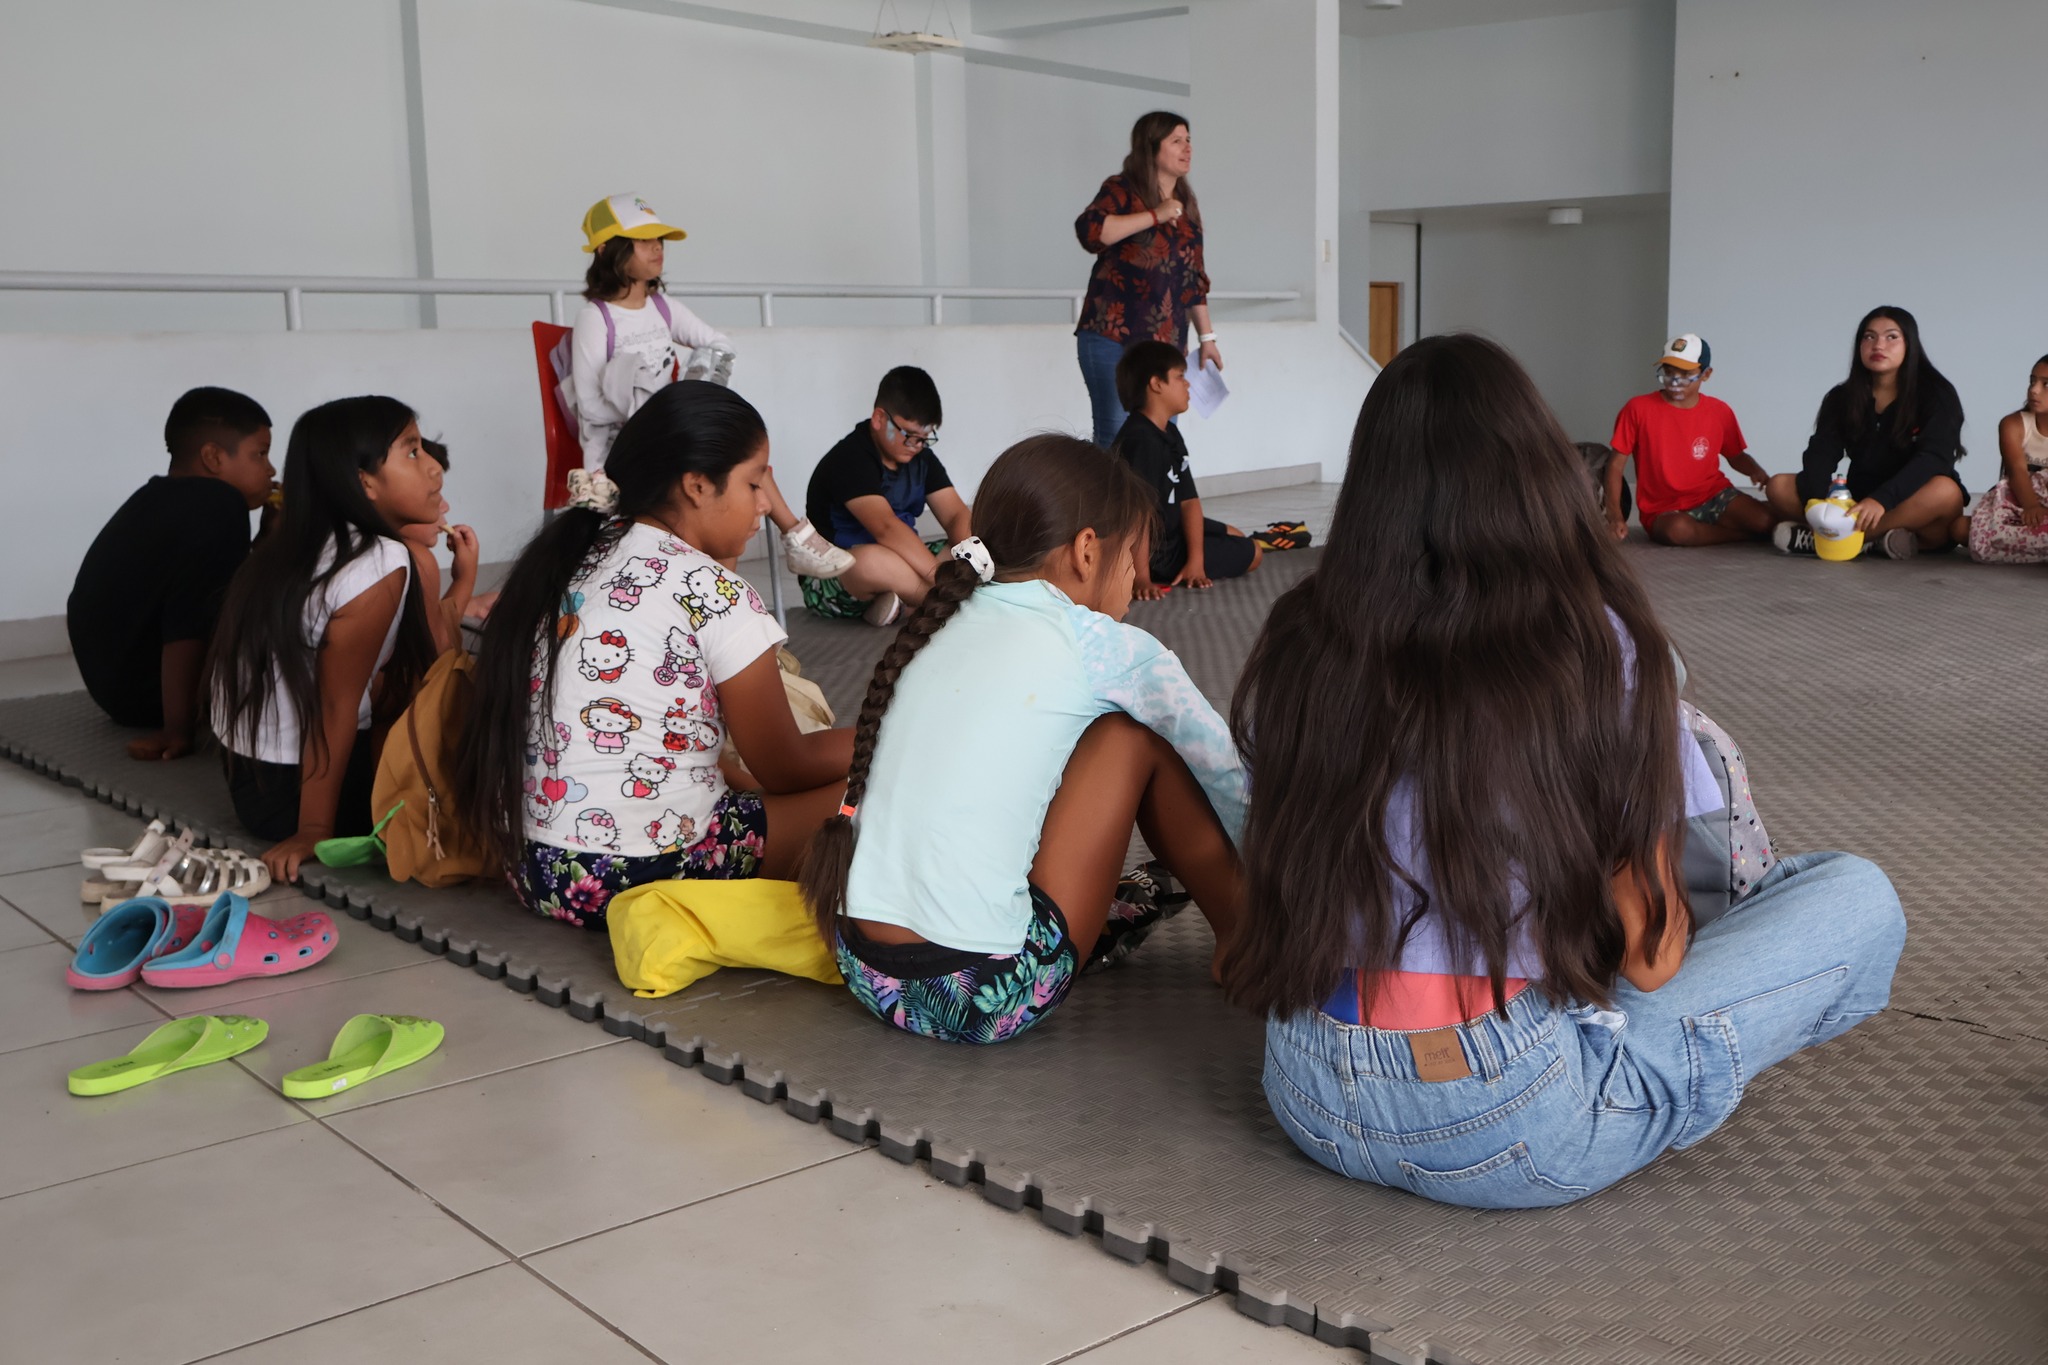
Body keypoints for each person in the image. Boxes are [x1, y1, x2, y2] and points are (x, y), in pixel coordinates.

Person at [1224, 334, 1904, 1208]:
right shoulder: (1596, 644)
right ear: (1538, 476)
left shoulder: (1301, 636)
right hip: (1504, 1120)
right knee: (1853, 896)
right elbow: (1654, 961)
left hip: (1305, 1085)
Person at [798, 435, 1247, 1045]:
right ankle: (1245, 939)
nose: (1134, 579)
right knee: (1132, 737)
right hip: (981, 993)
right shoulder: (1100, 644)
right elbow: (1223, 772)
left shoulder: (944, 618)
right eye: (1130, 560)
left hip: (864, 968)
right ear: (1087, 550)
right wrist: (1280, 872)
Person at [457, 381, 852, 932]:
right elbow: (788, 767)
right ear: (696, 486)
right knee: (870, 790)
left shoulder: (570, 559)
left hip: (537, 872)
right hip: (645, 876)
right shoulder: (710, 589)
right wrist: (893, 735)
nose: (765, 504)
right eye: (755, 481)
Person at [208, 397, 442, 881]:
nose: (434, 467)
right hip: (292, 797)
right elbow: (336, 705)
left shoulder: (292, 544)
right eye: (413, 451)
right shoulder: (381, 562)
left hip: (251, 779)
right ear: (364, 482)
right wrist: (315, 828)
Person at [569, 192, 853, 583]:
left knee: (736, 453)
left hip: (669, 435)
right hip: (625, 449)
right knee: (730, 462)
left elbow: (719, 344)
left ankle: (738, 581)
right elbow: (589, 407)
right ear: (608, 251)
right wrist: (652, 412)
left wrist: (695, 386)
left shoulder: (662, 307)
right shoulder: (595, 318)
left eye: (659, 240)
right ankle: (791, 540)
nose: (657, 248)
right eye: (643, 240)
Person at [69, 387, 275, 761]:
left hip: (114, 688)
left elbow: (221, 586)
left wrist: (268, 539)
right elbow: (190, 622)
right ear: (213, 457)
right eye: (260, 454)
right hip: (150, 698)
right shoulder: (218, 504)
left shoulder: (158, 497)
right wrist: (177, 728)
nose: (271, 469)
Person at [1769, 306, 1966, 559]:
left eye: (1891, 337)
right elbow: (1821, 453)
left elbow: (1934, 458)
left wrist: (1882, 500)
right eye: (1869, 337)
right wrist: (1818, 504)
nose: (1878, 345)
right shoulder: (1842, 397)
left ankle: (1835, 539)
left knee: (1946, 492)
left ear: (1910, 344)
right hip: (1857, 501)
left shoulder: (1937, 394)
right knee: (1778, 486)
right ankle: (1874, 541)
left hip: (1908, 500)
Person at [1074, 111, 1219, 449]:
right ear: (1151, 148)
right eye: (1176, 141)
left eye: (1189, 140)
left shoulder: (1187, 207)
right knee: (1115, 436)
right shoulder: (1122, 190)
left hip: (1166, 346)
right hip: (1113, 336)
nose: (1187, 148)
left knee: (1162, 437)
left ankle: (1154, 504)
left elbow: (1194, 279)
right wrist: (1156, 215)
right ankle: (1112, 504)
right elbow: (1092, 231)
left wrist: (1207, 337)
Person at [798, 366, 972, 628]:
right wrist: (939, 580)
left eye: (924, 438)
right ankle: (948, 605)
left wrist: (976, 556)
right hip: (836, 574)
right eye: (909, 435)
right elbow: (886, 528)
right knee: (869, 561)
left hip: (903, 562)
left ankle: (903, 604)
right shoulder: (850, 458)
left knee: (969, 539)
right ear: (879, 418)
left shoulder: (922, 458)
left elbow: (956, 513)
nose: (916, 445)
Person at [1111, 340, 1261, 599]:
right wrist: (1141, 577)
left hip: (1171, 529)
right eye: (1179, 377)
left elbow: (1189, 501)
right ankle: (1154, 569)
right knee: (1254, 553)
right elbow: (1137, 515)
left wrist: (1197, 562)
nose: (1188, 383)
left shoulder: (1169, 431)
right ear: (1156, 384)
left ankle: (1188, 562)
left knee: (1236, 534)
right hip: (1156, 549)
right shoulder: (1140, 441)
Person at [1606, 335, 1781, 546]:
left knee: (1765, 521)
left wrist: (1755, 470)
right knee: (1678, 531)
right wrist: (1615, 516)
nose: (1675, 381)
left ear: (1706, 374)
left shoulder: (1719, 411)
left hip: (1713, 494)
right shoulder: (1637, 408)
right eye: (1669, 372)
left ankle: (1751, 527)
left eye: (1686, 373)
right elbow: (1615, 466)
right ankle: (1741, 535)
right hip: (1663, 508)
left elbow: (1735, 456)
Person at [1952, 355, 2048, 564]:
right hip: (2020, 503)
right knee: (1960, 528)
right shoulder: (2013, 424)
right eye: (2032, 381)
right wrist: (2031, 506)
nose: (2034, 390)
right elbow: (2016, 471)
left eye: (2045, 384)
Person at [395, 438, 481, 654]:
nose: (445, 506)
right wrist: (465, 578)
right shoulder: (415, 560)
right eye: (433, 495)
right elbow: (436, 648)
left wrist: (469, 603)